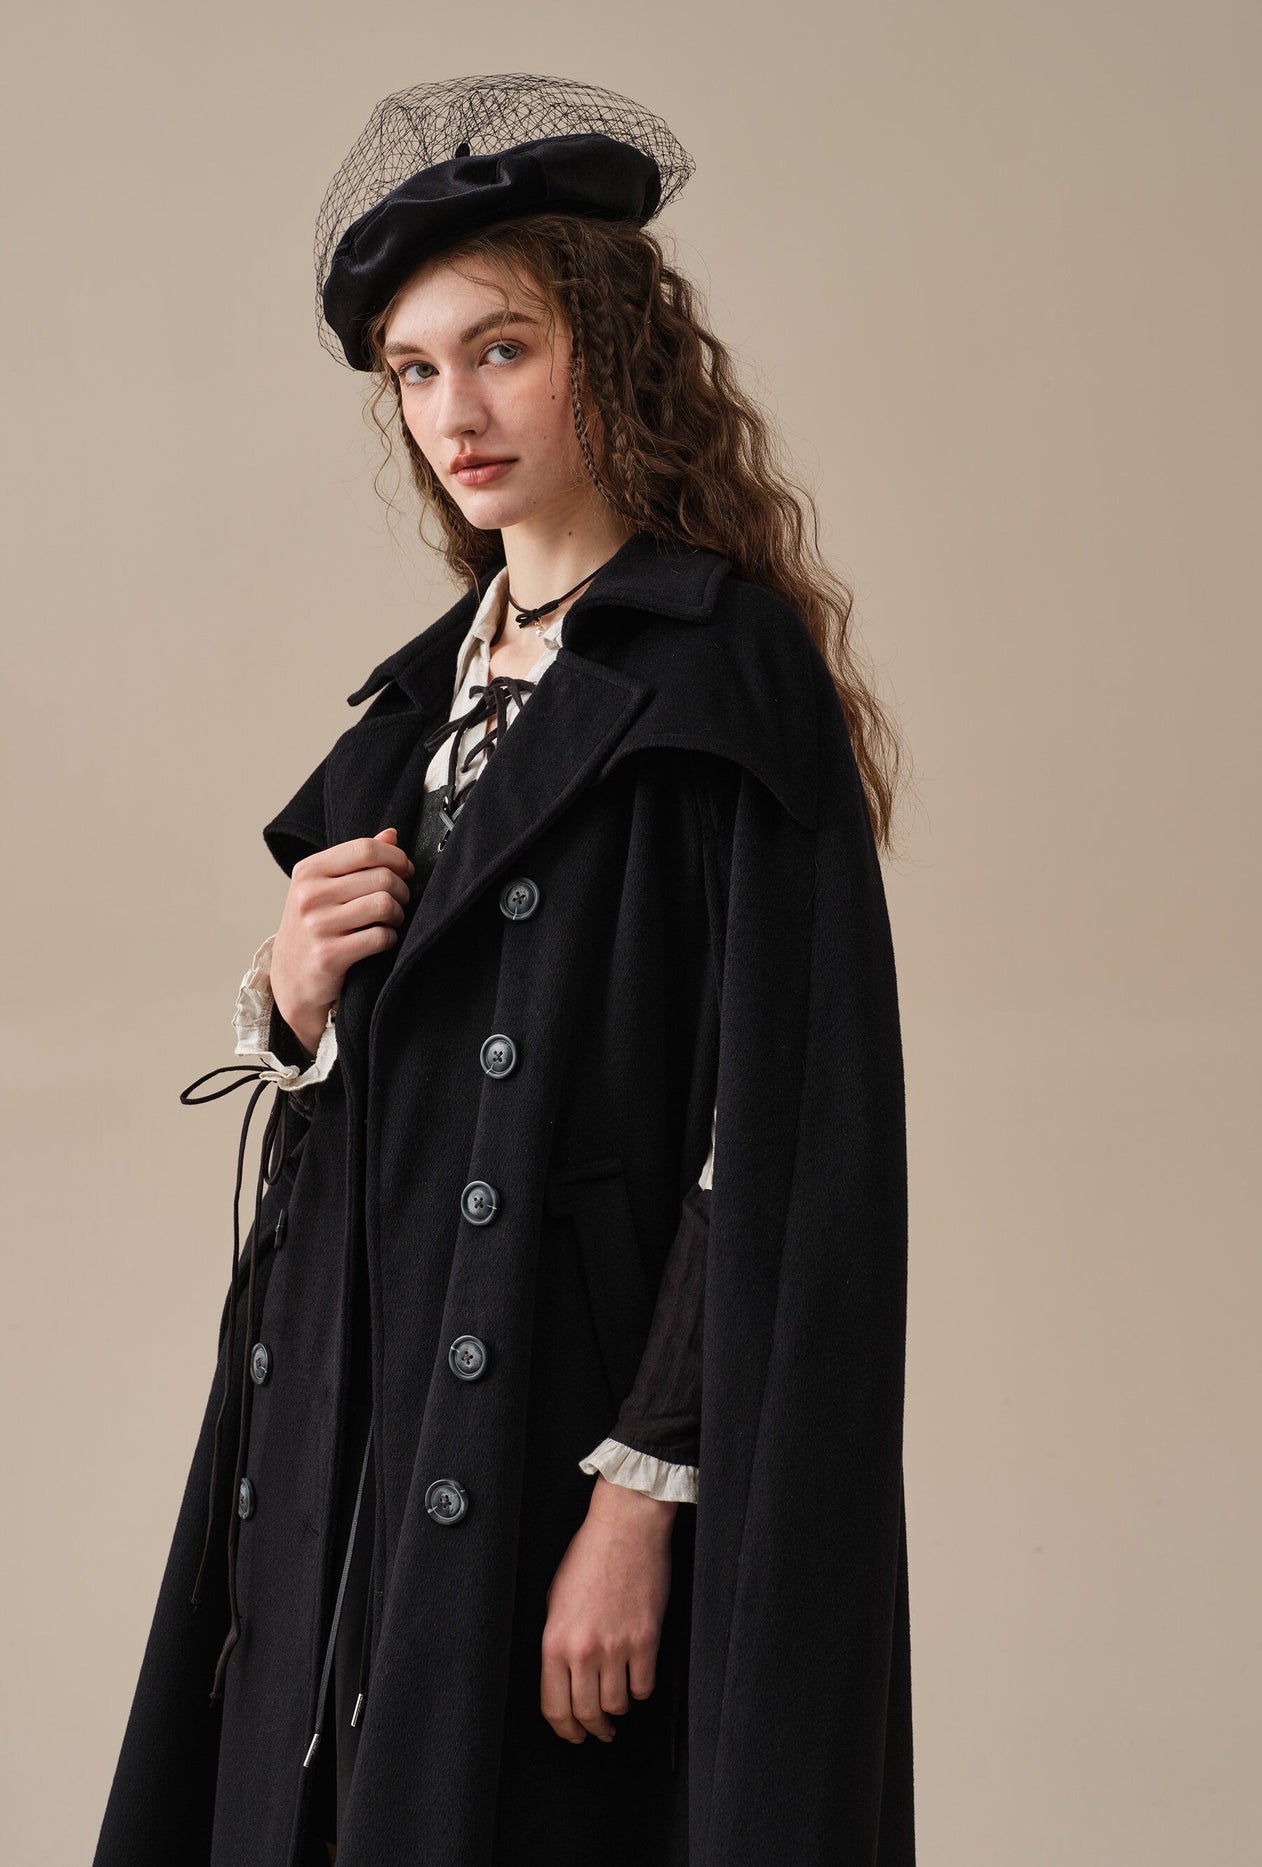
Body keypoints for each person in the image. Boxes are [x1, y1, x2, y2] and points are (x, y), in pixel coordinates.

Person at [94, 73, 915, 1867]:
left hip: (565, 1432)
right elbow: (383, 1117)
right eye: (413, 370)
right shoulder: (410, 714)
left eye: (501, 350)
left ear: (611, 351)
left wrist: (639, 1498)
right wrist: (288, 1006)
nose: (453, 413)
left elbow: (777, 1144)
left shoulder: (722, 675)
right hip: (349, 1441)